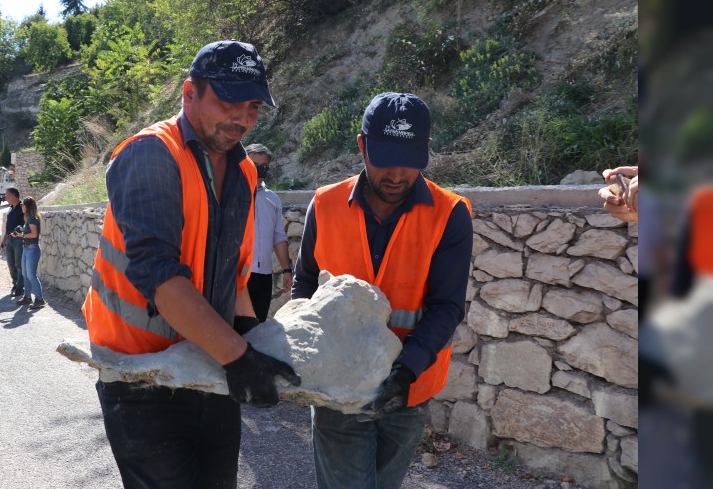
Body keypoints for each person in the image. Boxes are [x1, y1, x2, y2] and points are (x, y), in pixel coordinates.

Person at [83, 40, 300, 488]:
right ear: (189, 93)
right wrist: (241, 357)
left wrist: (250, 341)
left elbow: (236, 273)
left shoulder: (244, 172)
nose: (242, 118)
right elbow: (159, 276)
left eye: (253, 106)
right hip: (142, 377)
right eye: (227, 101)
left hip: (210, 364)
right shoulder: (149, 155)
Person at [292, 92, 473, 489]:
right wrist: (303, 348)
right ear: (361, 146)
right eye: (384, 159)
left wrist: (405, 371)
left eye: (409, 161)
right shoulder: (325, 204)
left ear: (426, 150)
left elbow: (446, 306)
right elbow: (305, 283)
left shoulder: (450, 214)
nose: (396, 174)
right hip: (340, 384)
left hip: (410, 387)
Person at [244, 143, 292, 323]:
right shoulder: (232, 195)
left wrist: (287, 270)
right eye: (254, 165)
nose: (259, 170)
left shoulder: (272, 199)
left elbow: (278, 236)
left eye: (264, 166)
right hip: (238, 275)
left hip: (263, 275)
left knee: (259, 328)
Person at [13, 196, 45, 309]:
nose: (21, 206)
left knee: (31, 275)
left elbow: (34, 234)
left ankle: (39, 299)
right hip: (27, 248)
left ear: (26, 206)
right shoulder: (29, 218)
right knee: (25, 274)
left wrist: (21, 235)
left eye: (22, 205)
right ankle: (27, 297)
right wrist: (21, 233)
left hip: (32, 249)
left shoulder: (32, 218)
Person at [0, 187, 25, 297]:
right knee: (11, 264)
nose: (5, 197)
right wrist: (4, 239)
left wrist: (20, 232)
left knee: (18, 264)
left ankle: (20, 288)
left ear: (13, 196)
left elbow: (27, 224)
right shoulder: (10, 208)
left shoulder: (22, 208)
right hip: (9, 239)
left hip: (19, 239)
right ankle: (15, 284)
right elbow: (8, 226)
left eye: (7, 195)